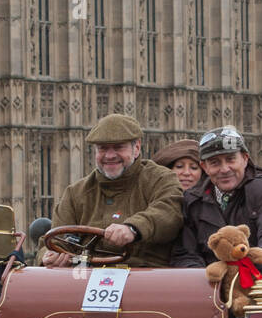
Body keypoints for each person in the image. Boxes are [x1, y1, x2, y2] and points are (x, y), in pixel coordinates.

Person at [173, 126, 262, 304]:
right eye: (215, 162)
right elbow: (185, 253)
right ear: (204, 167)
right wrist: (205, 282)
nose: (224, 168)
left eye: (230, 159)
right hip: (213, 287)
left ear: (245, 158)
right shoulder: (193, 201)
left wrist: (254, 258)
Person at [42, 113, 183, 267]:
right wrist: (50, 255)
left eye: (118, 147)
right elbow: (56, 238)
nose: (109, 155)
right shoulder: (76, 192)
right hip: (86, 277)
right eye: (102, 148)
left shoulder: (160, 179)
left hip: (145, 275)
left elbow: (169, 212)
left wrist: (133, 228)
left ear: (136, 148)